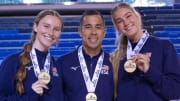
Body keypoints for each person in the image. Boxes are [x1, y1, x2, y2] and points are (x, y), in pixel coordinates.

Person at [110, 2, 180, 101]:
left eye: (128, 16)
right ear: (117, 28)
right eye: (119, 21)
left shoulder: (164, 47)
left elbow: (175, 91)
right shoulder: (115, 58)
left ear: (137, 16)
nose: (126, 23)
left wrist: (149, 70)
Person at [0, 9, 64, 101]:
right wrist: (29, 96)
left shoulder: (57, 65)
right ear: (35, 27)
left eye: (56, 29)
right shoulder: (12, 62)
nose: (51, 32)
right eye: (46, 26)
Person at [56, 10, 114, 101]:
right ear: (80, 31)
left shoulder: (113, 63)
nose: (93, 32)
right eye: (88, 27)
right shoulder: (63, 63)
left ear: (104, 32)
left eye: (98, 27)